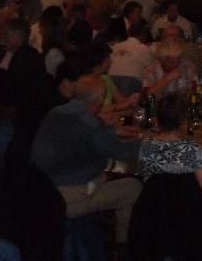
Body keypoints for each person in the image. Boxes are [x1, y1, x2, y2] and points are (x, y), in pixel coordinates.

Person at [30, 77, 142, 244]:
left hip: (43, 188)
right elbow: (122, 151)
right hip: (71, 196)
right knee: (133, 187)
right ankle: (123, 244)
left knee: (113, 169)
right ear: (99, 101)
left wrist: (107, 128)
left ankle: (101, 229)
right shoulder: (90, 124)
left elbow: (81, 137)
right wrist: (147, 140)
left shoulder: (56, 111)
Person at [138, 91, 202, 210]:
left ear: (157, 119)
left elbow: (144, 178)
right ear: (183, 122)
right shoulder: (192, 149)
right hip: (189, 210)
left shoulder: (146, 146)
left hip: (155, 208)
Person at [108, 22, 154, 96]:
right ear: (143, 36)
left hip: (111, 77)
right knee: (127, 101)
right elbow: (151, 66)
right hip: (131, 78)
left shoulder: (116, 46)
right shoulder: (143, 48)